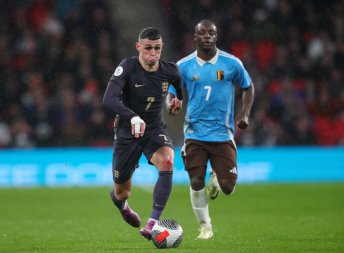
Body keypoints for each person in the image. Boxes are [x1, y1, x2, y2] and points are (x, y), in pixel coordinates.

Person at [167, 19, 255, 239]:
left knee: (228, 187)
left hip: (223, 134)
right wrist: (172, 103)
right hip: (194, 133)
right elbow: (172, 92)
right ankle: (205, 227)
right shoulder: (183, 66)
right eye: (202, 33)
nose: (207, 36)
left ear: (216, 36)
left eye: (211, 33)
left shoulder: (232, 63)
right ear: (195, 37)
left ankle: (217, 177)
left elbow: (248, 86)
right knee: (196, 180)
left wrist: (245, 113)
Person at [102, 27, 183, 240]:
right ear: (138, 47)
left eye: (157, 48)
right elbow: (108, 99)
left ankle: (153, 223)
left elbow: (178, 87)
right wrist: (132, 116)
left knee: (167, 161)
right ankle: (122, 206)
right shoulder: (128, 67)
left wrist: (175, 100)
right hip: (127, 131)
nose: (153, 53)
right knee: (121, 192)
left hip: (154, 129)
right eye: (148, 48)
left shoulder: (170, 70)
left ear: (162, 47)